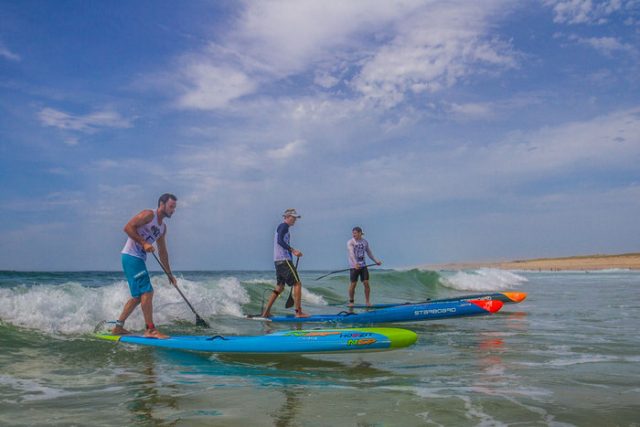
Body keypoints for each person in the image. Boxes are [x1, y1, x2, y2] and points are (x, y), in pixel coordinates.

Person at [111, 193, 178, 338]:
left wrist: (169, 274)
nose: (173, 210)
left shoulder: (162, 228)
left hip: (137, 259)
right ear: (162, 204)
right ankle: (150, 330)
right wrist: (144, 242)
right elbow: (128, 227)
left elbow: (163, 252)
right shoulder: (149, 215)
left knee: (137, 297)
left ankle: (118, 327)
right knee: (147, 291)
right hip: (131, 256)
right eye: (171, 206)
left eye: (174, 208)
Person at [261, 208, 309, 318]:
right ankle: (298, 312)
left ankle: (266, 312)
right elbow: (280, 241)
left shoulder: (283, 227)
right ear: (286, 217)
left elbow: (280, 242)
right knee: (297, 284)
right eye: (293, 217)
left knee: (280, 287)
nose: (295, 220)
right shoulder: (284, 226)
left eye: (295, 218)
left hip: (278, 261)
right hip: (284, 260)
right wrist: (293, 250)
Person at [347, 226, 382, 307]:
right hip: (353, 266)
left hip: (363, 265)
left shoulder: (365, 242)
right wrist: (355, 263)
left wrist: (376, 261)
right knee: (353, 284)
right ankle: (351, 301)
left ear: (360, 233)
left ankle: (367, 302)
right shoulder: (350, 242)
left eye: (355, 233)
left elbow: (369, 253)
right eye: (353, 233)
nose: (353, 234)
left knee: (366, 283)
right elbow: (351, 254)